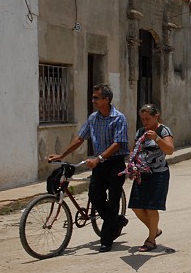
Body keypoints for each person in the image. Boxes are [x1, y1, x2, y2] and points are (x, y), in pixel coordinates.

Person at [47, 84, 129, 253]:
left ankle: (106, 240)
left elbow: (118, 143)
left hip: (114, 163)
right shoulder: (93, 118)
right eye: (93, 97)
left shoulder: (119, 118)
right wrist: (62, 155)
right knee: (95, 196)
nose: (93, 101)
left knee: (113, 201)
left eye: (96, 98)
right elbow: (79, 139)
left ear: (106, 100)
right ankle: (116, 221)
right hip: (98, 165)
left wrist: (98, 158)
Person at [128, 103, 174, 252]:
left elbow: (170, 150)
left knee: (151, 208)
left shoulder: (163, 130)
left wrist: (157, 138)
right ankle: (155, 230)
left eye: (148, 118)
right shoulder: (140, 131)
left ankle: (151, 239)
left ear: (156, 116)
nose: (145, 122)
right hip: (141, 174)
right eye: (142, 119)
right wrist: (131, 165)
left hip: (158, 174)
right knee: (136, 207)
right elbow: (134, 150)